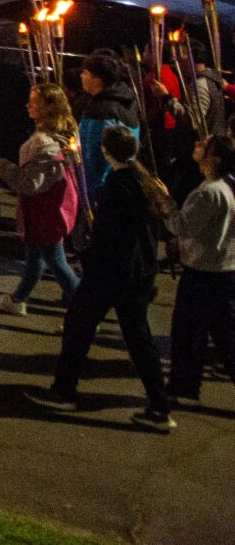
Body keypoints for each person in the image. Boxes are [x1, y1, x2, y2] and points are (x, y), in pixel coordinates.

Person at [30, 125, 178, 431]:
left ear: (107, 151)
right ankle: (159, 405)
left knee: (78, 327)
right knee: (138, 338)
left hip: (110, 272)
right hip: (137, 272)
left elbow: (110, 234)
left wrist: (90, 258)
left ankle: (64, 390)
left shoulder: (119, 186)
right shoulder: (144, 182)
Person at [0, 81, 83, 315]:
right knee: (35, 256)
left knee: (56, 261)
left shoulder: (44, 143)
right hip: (45, 209)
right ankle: (18, 298)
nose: (28, 106)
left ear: (47, 108)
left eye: (33, 102)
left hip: (45, 211)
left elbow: (30, 183)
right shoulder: (62, 135)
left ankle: (85, 308)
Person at [168, 132, 235, 407]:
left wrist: (163, 205)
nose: (197, 146)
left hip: (204, 272)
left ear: (214, 158)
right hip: (223, 270)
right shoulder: (228, 186)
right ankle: (184, 387)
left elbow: (181, 225)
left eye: (203, 146)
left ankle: (183, 388)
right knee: (225, 337)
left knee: (187, 333)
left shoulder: (208, 193)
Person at [75, 55, 141, 203]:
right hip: (122, 183)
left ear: (97, 80)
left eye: (85, 73)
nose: (81, 76)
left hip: (100, 191)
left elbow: (94, 158)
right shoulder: (125, 102)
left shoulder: (101, 112)